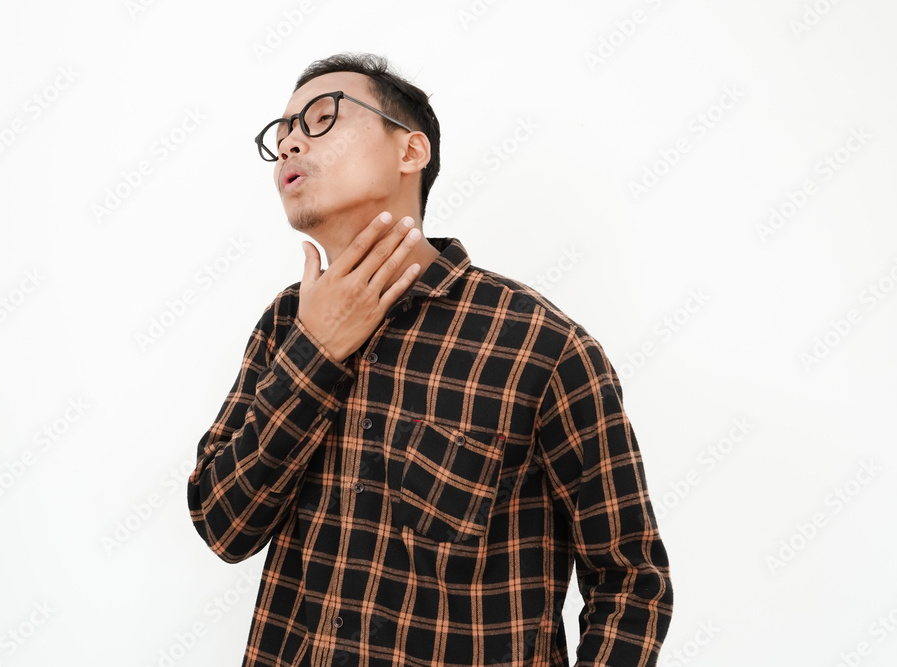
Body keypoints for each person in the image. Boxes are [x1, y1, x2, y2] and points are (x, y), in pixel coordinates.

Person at [187, 52, 673, 666]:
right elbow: (224, 525)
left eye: (319, 120)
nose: (289, 144)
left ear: (410, 152)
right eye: (280, 133)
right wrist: (318, 353)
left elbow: (631, 581)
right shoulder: (287, 325)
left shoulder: (539, 345)